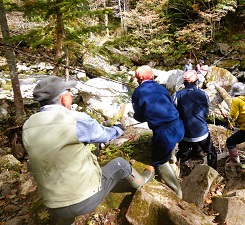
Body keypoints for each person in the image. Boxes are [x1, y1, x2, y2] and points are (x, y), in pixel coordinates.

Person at [22, 76, 154, 225]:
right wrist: (118, 128)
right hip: (84, 200)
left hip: (52, 204)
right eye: (69, 92)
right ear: (63, 99)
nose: (72, 95)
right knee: (121, 164)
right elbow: (105, 135)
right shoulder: (75, 119)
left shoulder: (28, 125)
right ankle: (142, 182)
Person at [132, 65, 185, 198]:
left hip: (164, 132)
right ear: (152, 76)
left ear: (138, 78)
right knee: (170, 146)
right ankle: (173, 162)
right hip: (179, 125)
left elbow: (139, 116)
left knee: (158, 161)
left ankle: (177, 191)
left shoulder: (138, 92)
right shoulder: (161, 87)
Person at [171, 70, 218, 170]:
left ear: (184, 83)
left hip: (185, 134)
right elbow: (206, 112)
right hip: (202, 132)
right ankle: (214, 171)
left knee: (182, 151)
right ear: (197, 82)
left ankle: (177, 167)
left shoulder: (176, 95)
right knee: (211, 152)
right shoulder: (204, 94)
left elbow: (173, 114)